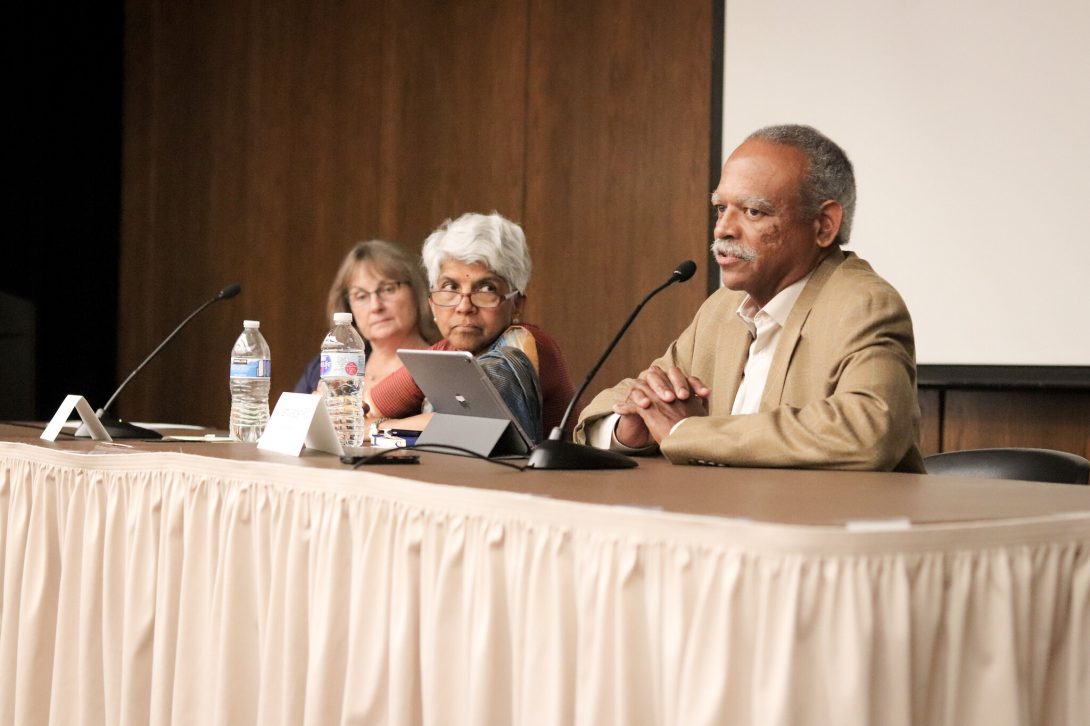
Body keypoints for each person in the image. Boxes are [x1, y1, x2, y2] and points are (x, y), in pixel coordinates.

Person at [576, 124, 925, 472]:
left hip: (826, 523)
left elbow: (868, 431)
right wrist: (632, 429)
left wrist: (686, 431)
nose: (723, 229)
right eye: (720, 208)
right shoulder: (722, 310)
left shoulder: (863, 304)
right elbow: (619, 400)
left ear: (824, 225)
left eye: (753, 211)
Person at [368, 212, 575, 443]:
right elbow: (368, 407)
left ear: (516, 304)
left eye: (486, 288)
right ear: (432, 303)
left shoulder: (525, 344)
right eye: (450, 286)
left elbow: (466, 422)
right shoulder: (447, 352)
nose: (464, 306)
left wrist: (379, 428)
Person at [294, 240, 440, 395]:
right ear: (348, 307)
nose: (375, 306)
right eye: (361, 296)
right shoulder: (323, 368)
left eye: (388, 289)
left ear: (416, 291)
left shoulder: (440, 369)